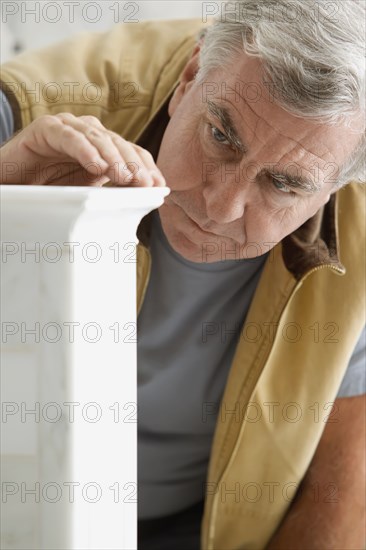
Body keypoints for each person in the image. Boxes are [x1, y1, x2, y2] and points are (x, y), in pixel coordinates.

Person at [1, 1, 365, 548]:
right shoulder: (34, 106)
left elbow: (342, 499)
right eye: (221, 135)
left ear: (337, 185)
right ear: (190, 77)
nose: (221, 206)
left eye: (283, 185)